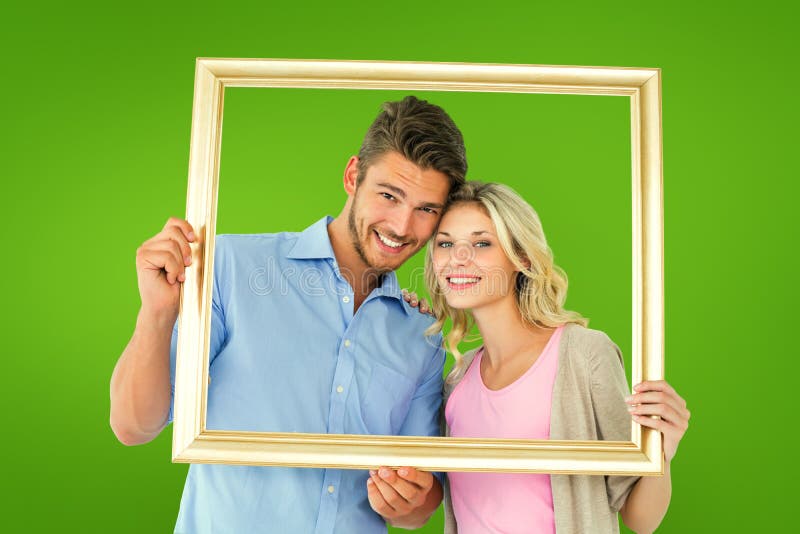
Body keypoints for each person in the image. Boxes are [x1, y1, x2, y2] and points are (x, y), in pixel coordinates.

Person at [109, 96, 468, 533]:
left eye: (426, 209)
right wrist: (156, 312)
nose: (401, 226)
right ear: (353, 175)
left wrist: (406, 500)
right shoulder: (232, 268)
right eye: (389, 196)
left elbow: (419, 509)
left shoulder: (422, 335)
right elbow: (133, 426)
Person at [422, 181, 690, 534]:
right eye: (445, 243)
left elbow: (641, 519)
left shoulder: (585, 355)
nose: (458, 257)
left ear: (522, 258)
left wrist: (662, 451)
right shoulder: (457, 379)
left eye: (481, 243)